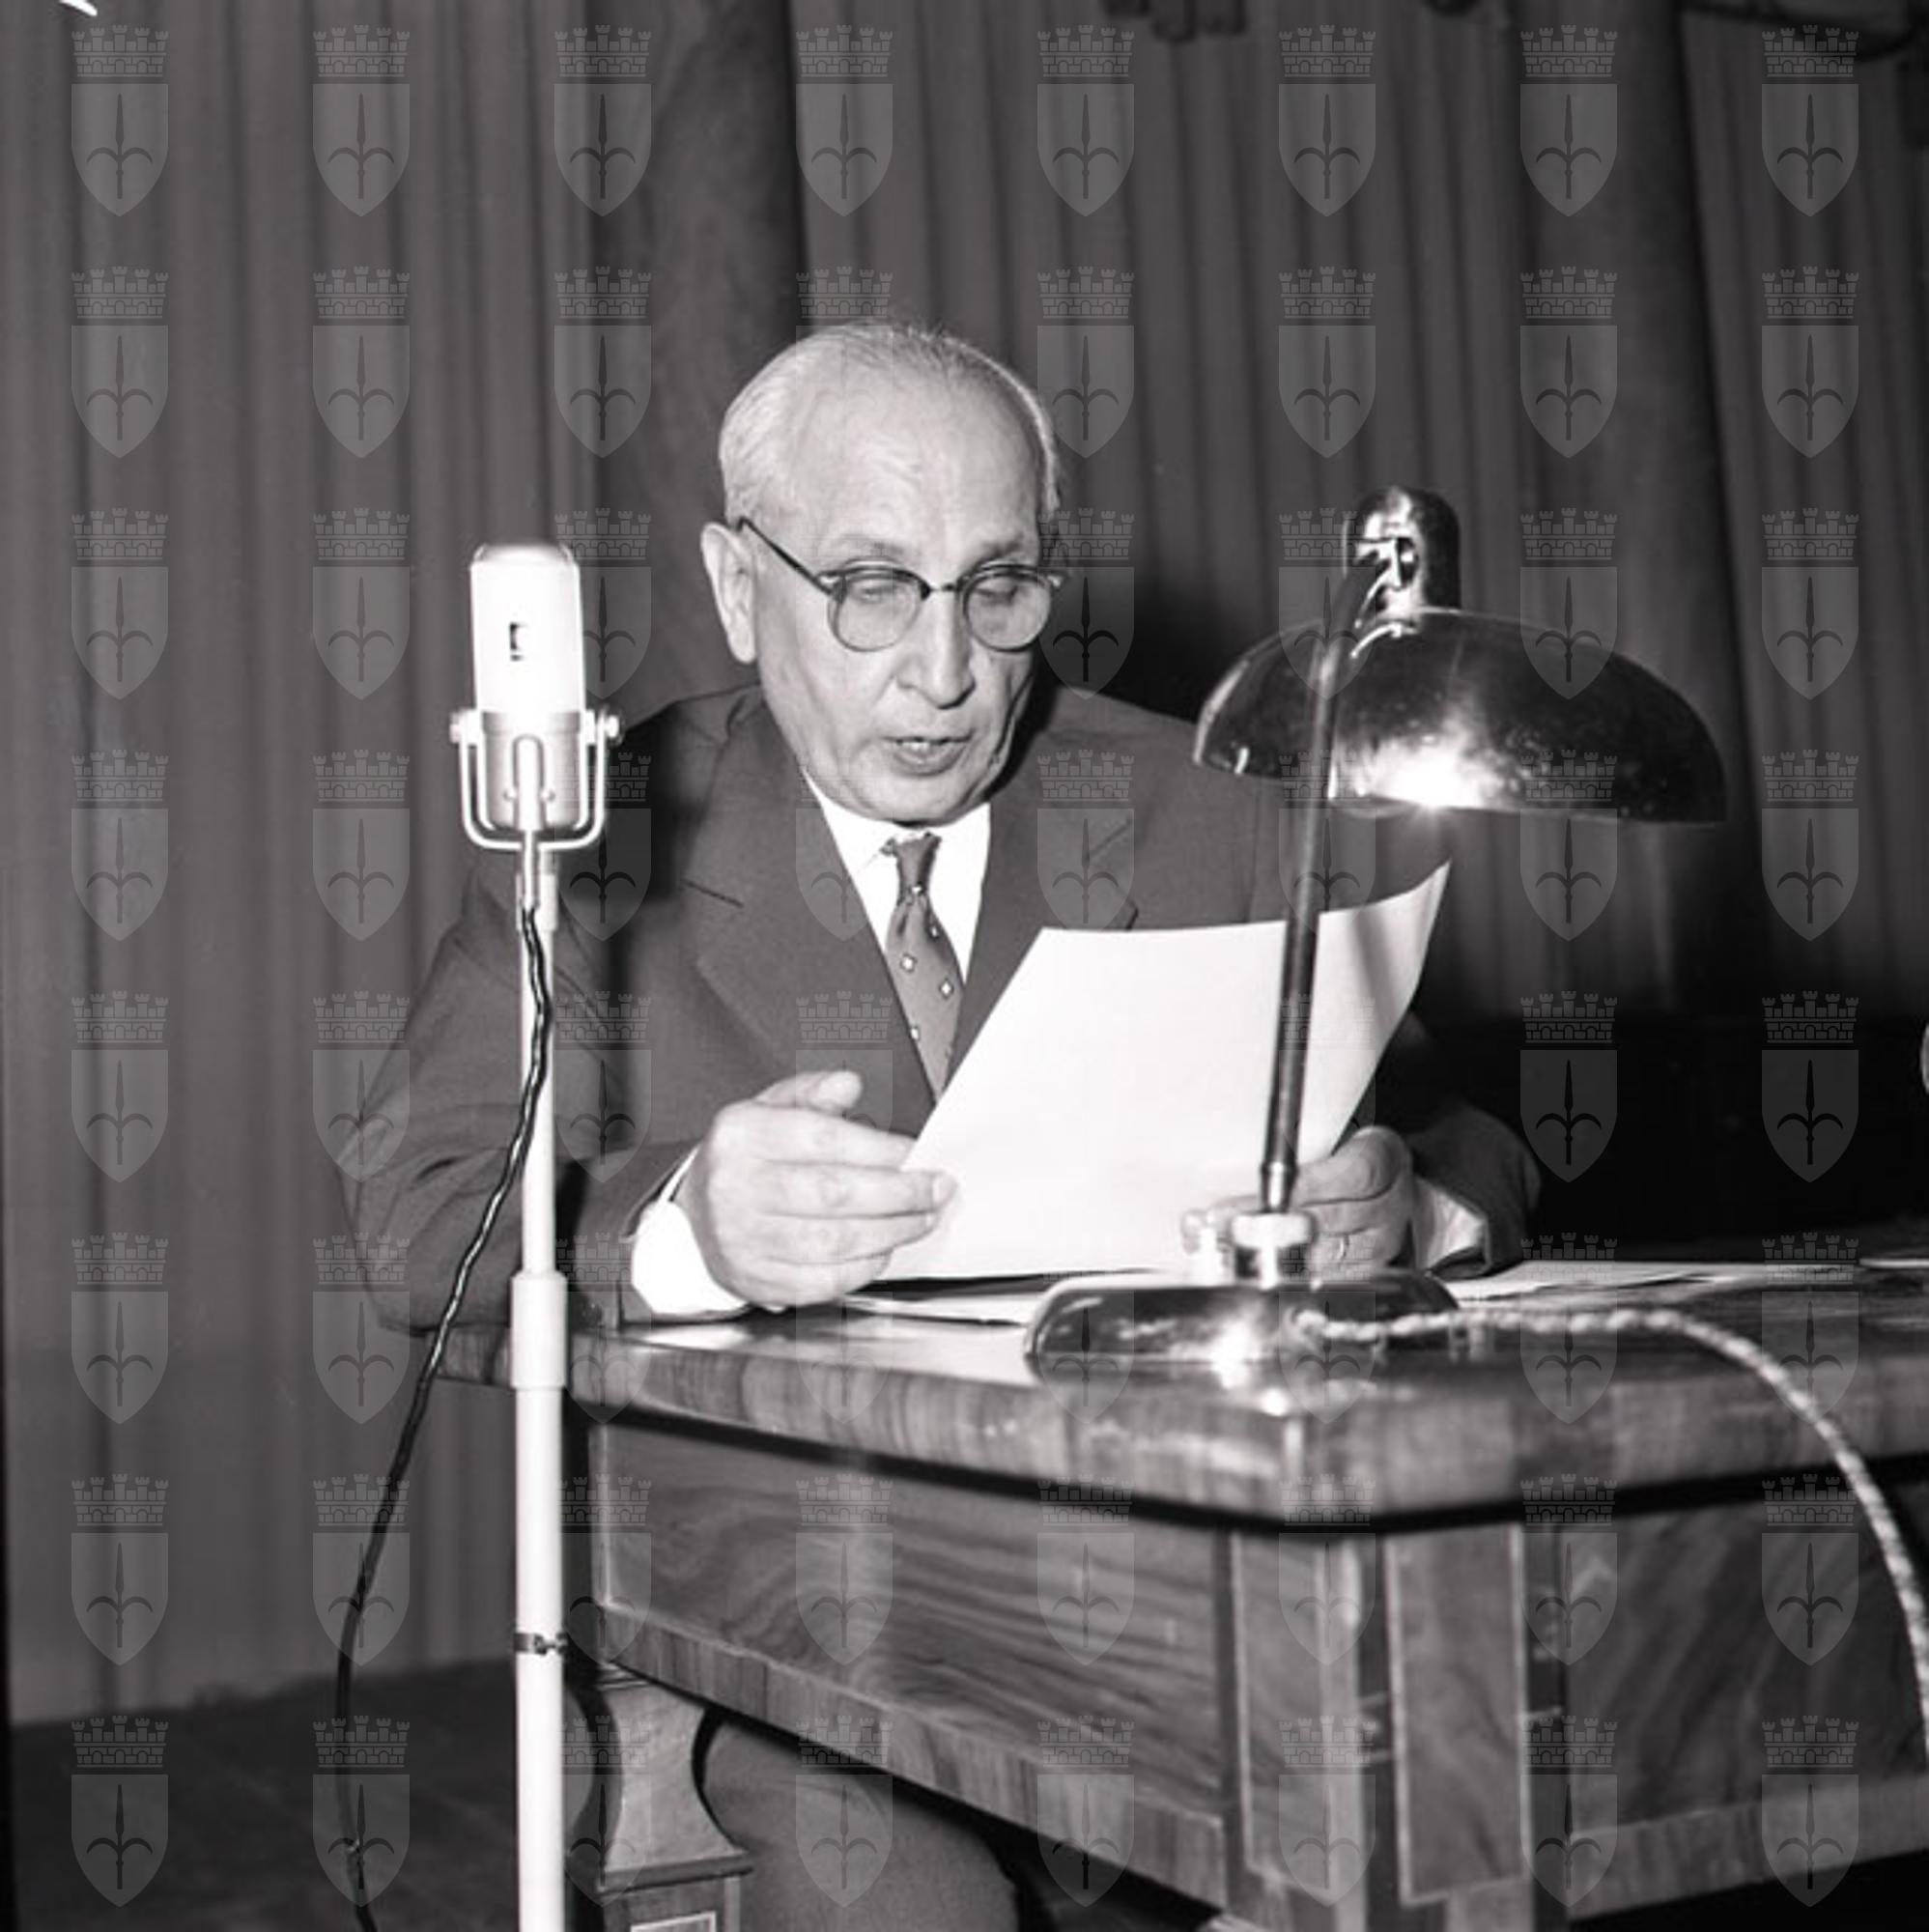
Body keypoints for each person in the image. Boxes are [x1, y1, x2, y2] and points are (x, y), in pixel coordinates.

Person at [352, 322, 1538, 1930]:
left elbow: (1468, 1143)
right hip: (775, 1647)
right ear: (736, 585)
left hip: (1182, 1619)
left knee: (1433, 1853)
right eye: (868, 587)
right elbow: (418, 1217)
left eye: (998, 589)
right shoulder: (590, 839)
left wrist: (1406, 1209)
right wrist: (688, 1230)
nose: (944, 671)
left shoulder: (1209, 805)